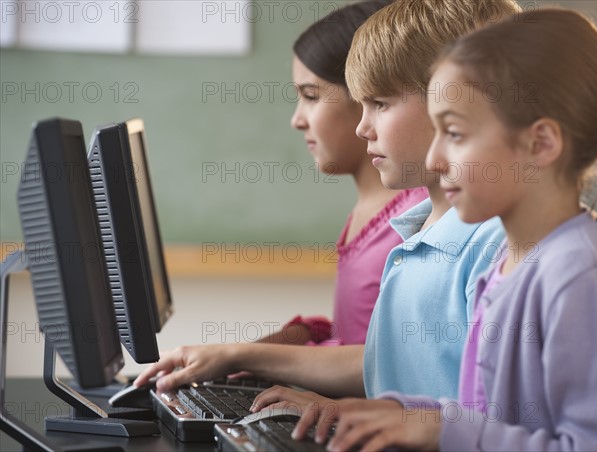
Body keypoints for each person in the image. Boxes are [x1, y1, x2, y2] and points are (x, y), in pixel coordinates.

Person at [134, 0, 516, 406]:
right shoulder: (416, 230)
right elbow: (387, 366)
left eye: (379, 103)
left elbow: (492, 414)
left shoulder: (493, 244)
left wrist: (353, 409)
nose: (362, 125)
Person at [310, 8, 597, 452]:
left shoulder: (578, 276)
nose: (433, 160)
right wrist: (399, 412)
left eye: (456, 134)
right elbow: (484, 416)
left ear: (540, 144)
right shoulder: (506, 269)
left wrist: (441, 431)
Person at [257, 0, 427, 347]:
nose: (297, 119)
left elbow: (395, 361)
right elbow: (363, 331)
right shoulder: (371, 208)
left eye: (311, 96)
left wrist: (249, 358)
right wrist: (305, 333)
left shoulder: (422, 216)